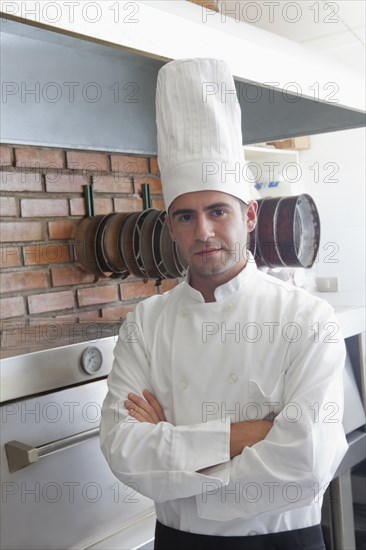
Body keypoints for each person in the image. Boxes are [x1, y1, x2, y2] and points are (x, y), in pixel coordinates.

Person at [100, 58, 348, 550]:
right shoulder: (146, 324)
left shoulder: (306, 319)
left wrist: (173, 443)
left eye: (218, 211)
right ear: (170, 226)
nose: (204, 232)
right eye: (186, 217)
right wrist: (247, 434)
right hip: (178, 542)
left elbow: (306, 459)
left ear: (250, 214)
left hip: (281, 541)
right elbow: (123, 450)